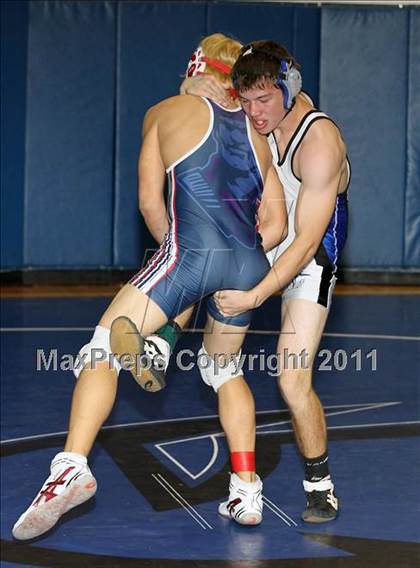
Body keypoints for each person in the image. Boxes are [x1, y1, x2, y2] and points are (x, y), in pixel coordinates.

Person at [12, 34, 286, 540]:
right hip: (248, 264)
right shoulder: (259, 137)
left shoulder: (166, 112)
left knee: (102, 348)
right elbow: (276, 223)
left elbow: (148, 204)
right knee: (223, 369)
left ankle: (72, 466)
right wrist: (234, 264)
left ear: (195, 71)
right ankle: (247, 490)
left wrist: (182, 262)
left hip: (192, 252)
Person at [145, 39, 349, 523]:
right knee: (203, 257)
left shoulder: (319, 142)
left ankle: (319, 481)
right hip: (260, 237)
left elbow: (302, 242)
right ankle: (167, 337)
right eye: (247, 99)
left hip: (308, 252)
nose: (255, 112)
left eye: (264, 101)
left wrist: (257, 294)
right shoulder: (244, 106)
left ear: (289, 90)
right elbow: (206, 83)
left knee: (291, 376)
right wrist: (196, 84)